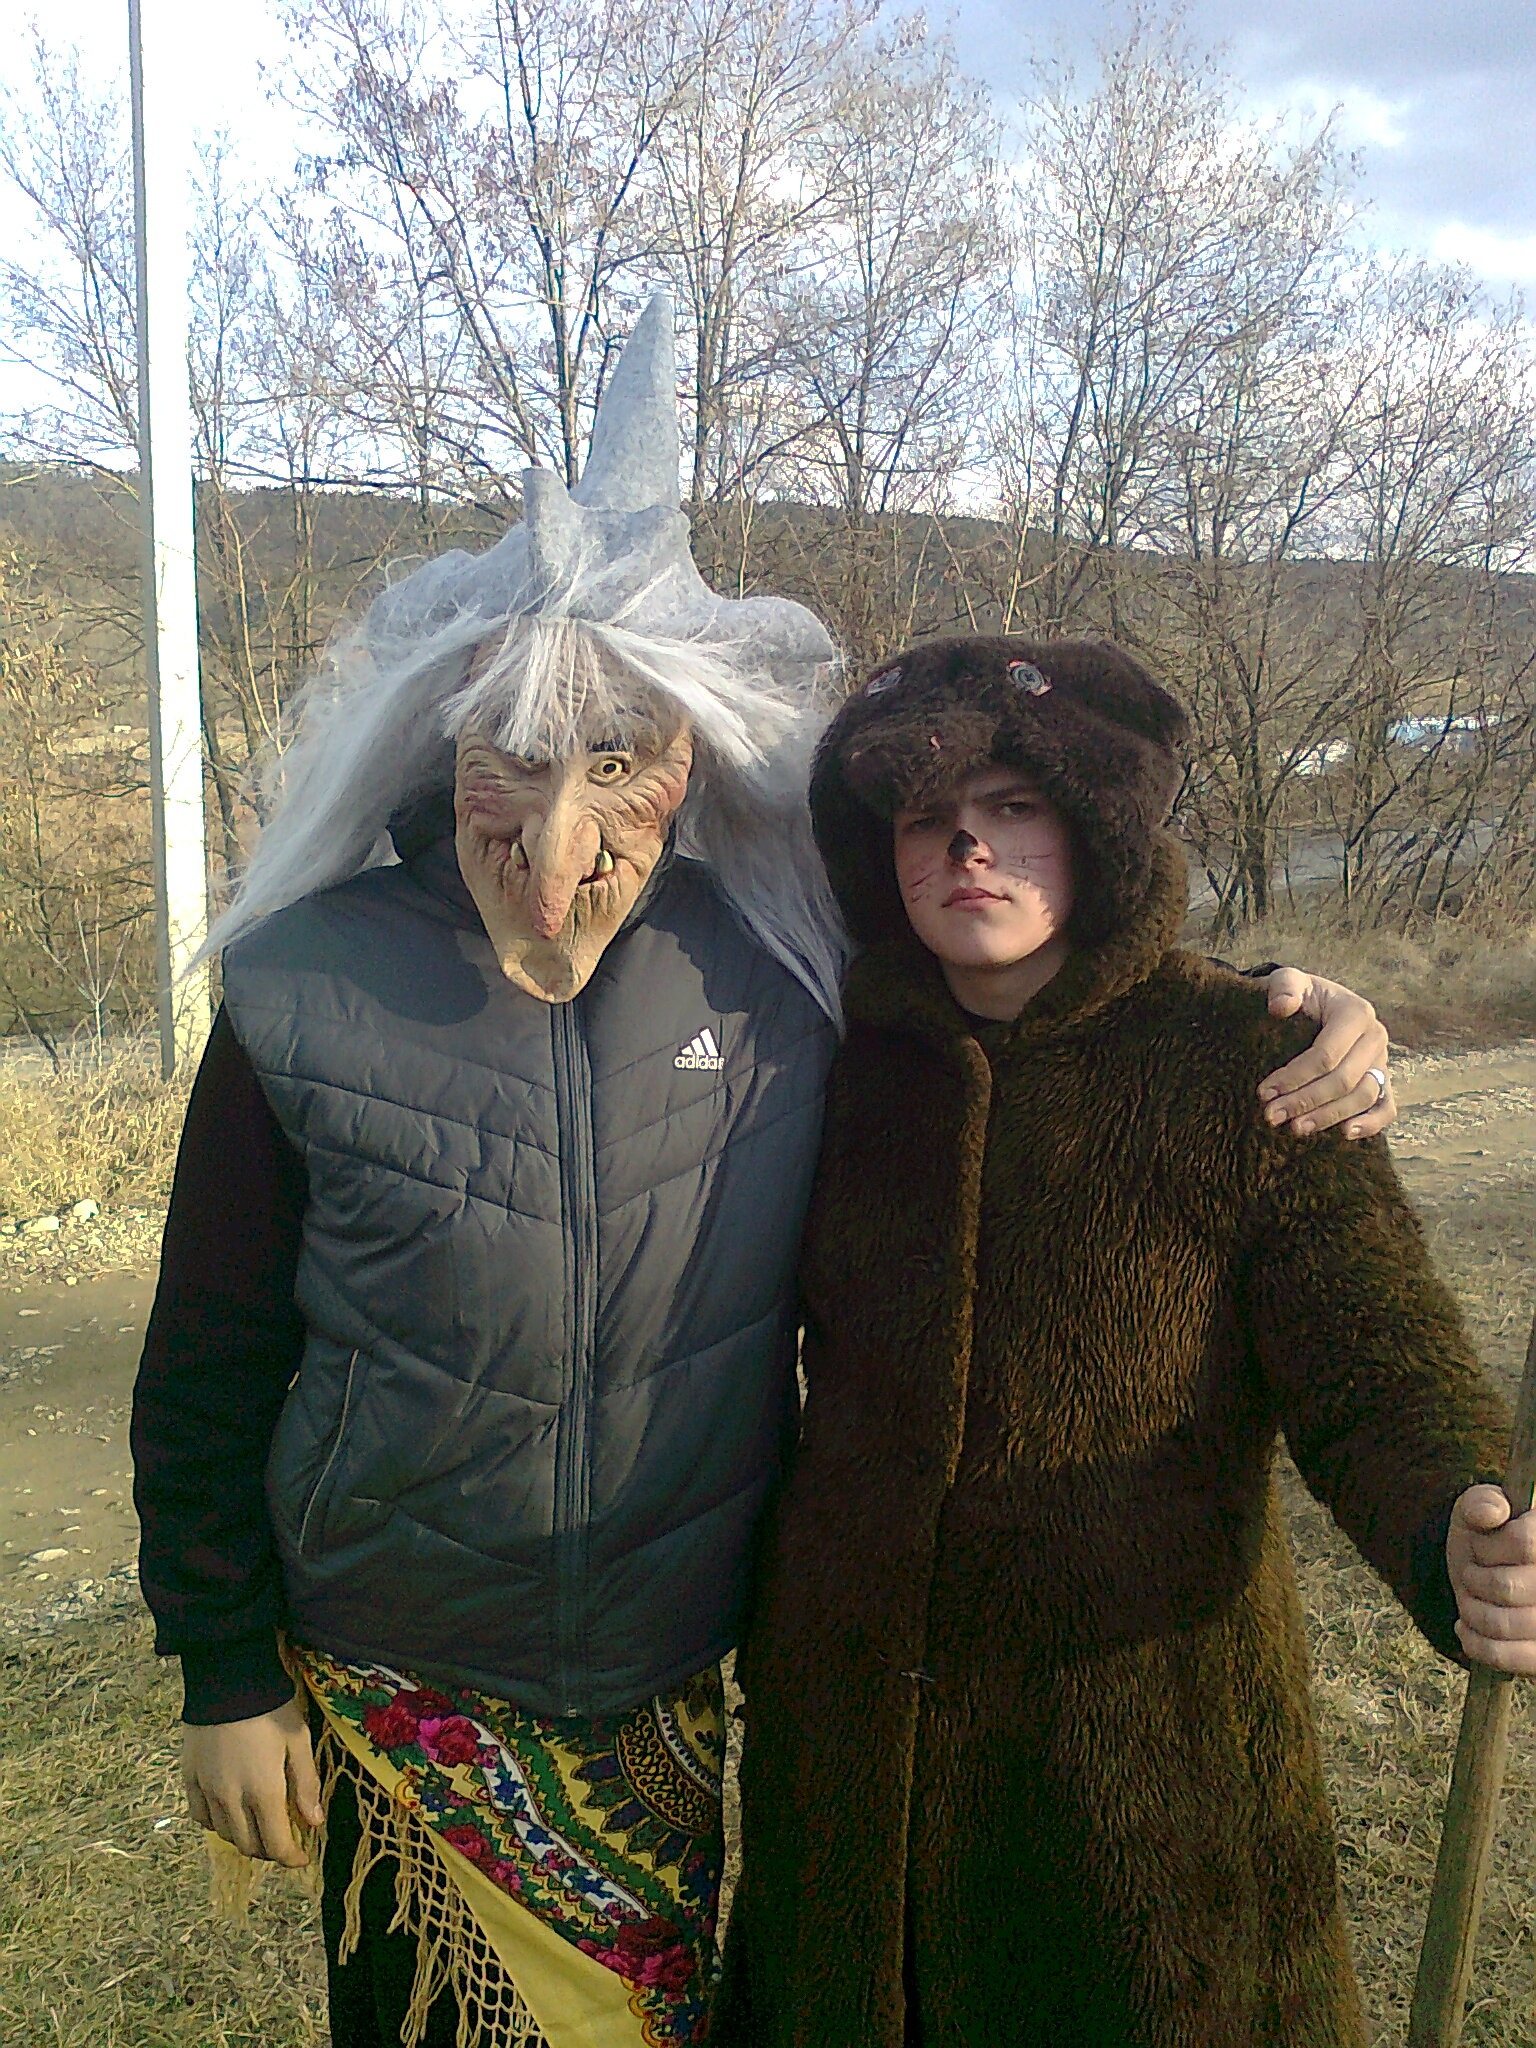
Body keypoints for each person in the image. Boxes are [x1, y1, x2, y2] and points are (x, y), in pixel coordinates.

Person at [131, 300, 1398, 2048]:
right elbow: (206, 1356)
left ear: (692, 764)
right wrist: (223, 1666)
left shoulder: (781, 978)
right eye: (512, 763)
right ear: (442, 747)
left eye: (617, 766)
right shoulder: (305, 989)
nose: (557, 841)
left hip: (671, 1669)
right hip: (408, 1677)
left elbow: (1029, 1002)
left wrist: (1281, 1012)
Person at [717, 636, 1536, 2048]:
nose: (968, 846)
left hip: (1141, 1778)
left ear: (1094, 827)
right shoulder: (826, 1062)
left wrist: (1452, 1525)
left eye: (1013, 807)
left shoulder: (1246, 1062)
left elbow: (1377, 1367)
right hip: (850, 1771)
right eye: (927, 817)